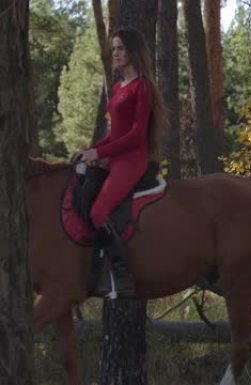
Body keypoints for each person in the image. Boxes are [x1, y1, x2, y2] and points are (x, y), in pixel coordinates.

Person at [73, 27, 167, 298]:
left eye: (120, 48)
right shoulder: (117, 87)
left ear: (133, 51)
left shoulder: (143, 87)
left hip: (132, 160)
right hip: (113, 159)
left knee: (98, 212)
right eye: (113, 48)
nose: (114, 53)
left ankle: (122, 276)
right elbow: (114, 134)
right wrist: (89, 151)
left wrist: (98, 154)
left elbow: (136, 136)